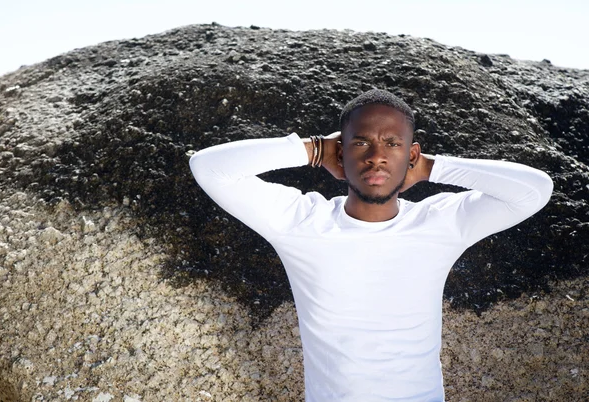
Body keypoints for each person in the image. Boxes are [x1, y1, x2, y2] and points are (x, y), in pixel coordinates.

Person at [189, 89, 553, 401]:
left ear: (410, 155)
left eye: (392, 144)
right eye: (361, 142)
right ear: (340, 153)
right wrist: (312, 149)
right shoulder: (301, 222)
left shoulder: (442, 223)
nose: (376, 156)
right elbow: (208, 167)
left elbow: (534, 190)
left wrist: (431, 168)